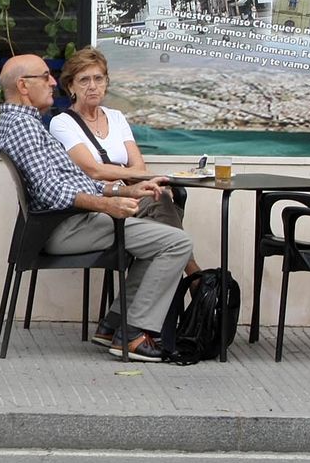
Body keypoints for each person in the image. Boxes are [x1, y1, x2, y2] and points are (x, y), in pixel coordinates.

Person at [0, 53, 193, 363]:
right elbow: (52, 190)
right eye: (46, 76)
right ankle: (134, 332)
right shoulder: (26, 127)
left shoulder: (25, 122)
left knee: (159, 232)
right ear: (23, 86)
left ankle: (114, 326)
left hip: (66, 223)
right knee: (176, 242)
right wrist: (108, 205)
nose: (52, 82)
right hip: (64, 228)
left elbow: (73, 181)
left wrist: (124, 190)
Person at [50, 46, 200, 290]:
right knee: (161, 207)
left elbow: (137, 163)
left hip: (126, 195)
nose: (92, 86)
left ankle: (133, 311)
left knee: (159, 197)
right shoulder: (62, 123)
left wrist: (142, 182)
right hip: (98, 202)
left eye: (98, 78)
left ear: (106, 82)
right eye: (84, 80)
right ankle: (192, 275)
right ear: (71, 87)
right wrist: (140, 180)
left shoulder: (116, 117)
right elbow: (93, 170)